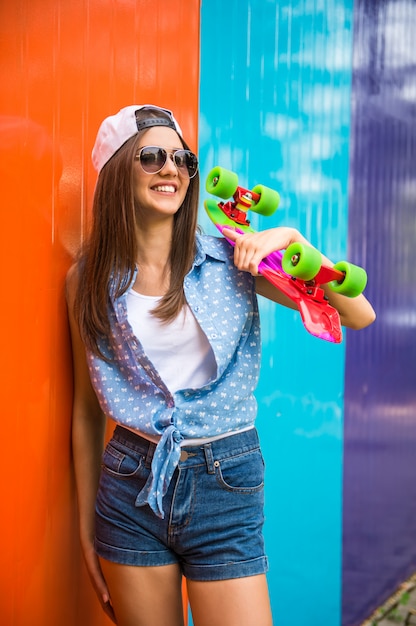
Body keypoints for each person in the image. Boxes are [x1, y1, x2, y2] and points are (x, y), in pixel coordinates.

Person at [66, 104, 376, 626]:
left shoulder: (233, 261)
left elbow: (358, 314)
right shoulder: (88, 281)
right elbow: (85, 410)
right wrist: (83, 529)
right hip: (129, 487)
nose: (171, 168)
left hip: (225, 482)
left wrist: (295, 243)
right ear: (118, 170)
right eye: (151, 156)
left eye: (182, 158)